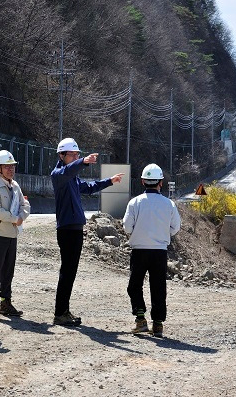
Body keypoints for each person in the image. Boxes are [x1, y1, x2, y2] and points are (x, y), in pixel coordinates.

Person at [51, 137, 124, 326]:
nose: (76, 156)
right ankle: (60, 313)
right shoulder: (59, 174)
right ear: (62, 155)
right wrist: (83, 162)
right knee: (67, 272)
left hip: (75, 229)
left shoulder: (72, 177)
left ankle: (64, 311)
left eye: (78, 154)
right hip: (67, 230)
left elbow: (89, 187)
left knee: (70, 272)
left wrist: (110, 181)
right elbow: (68, 170)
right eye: (73, 154)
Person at [122, 163, 181, 338]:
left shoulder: (135, 202)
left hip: (139, 250)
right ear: (160, 183)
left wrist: (138, 233)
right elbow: (176, 227)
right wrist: (163, 235)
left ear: (142, 181)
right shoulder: (169, 204)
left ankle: (140, 320)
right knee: (158, 287)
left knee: (134, 286)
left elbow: (127, 227)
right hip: (160, 252)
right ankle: (158, 324)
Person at [0, 150, 30, 319]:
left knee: (9, 270)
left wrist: (22, 217)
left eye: (12, 166)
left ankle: (5, 302)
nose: (11, 169)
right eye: (7, 167)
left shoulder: (15, 186)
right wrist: (15, 218)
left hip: (11, 234)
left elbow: (25, 204)